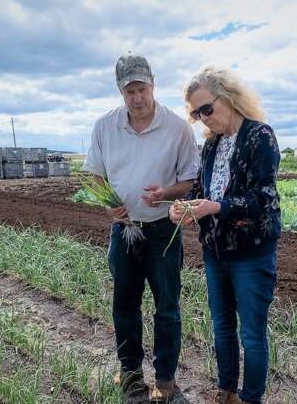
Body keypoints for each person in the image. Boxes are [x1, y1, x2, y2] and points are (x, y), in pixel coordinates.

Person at [82, 52, 199, 402]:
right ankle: (130, 373)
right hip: (124, 230)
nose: (137, 97)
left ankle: (165, 379)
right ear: (121, 92)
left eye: (141, 89)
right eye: (129, 91)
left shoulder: (178, 128)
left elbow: (190, 180)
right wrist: (107, 201)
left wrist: (166, 192)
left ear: (153, 85)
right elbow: (94, 176)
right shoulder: (105, 127)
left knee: (167, 307)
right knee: (124, 304)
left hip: (163, 232)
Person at [169, 66, 280, 404]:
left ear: (228, 97)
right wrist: (184, 208)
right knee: (221, 328)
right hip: (215, 253)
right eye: (196, 113)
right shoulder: (212, 146)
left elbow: (263, 198)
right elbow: (201, 191)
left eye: (207, 108)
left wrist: (215, 207)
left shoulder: (259, 136)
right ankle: (226, 391)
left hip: (251, 253)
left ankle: (250, 398)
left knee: (251, 335)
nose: (203, 118)